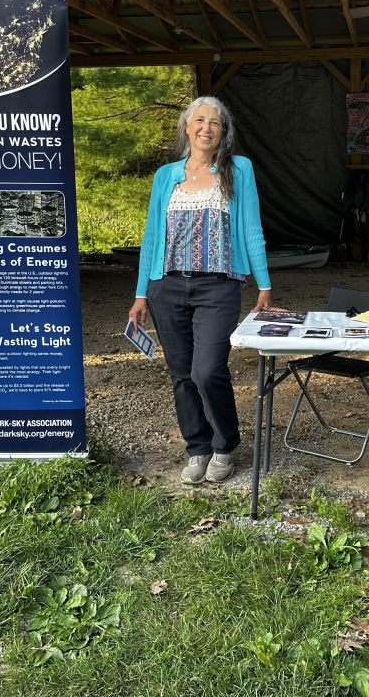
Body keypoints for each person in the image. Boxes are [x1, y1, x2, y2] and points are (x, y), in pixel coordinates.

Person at [129, 96, 273, 485]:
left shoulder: (238, 169)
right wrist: (141, 293)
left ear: (223, 133)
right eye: (200, 120)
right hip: (167, 286)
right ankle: (198, 449)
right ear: (187, 127)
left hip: (219, 287)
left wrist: (264, 284)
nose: (207, 127)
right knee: (181, 374)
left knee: (208, 371)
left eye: (216, 123)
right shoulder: (166, 175)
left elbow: (251, 229)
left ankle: (224, 446)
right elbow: (151, 237)